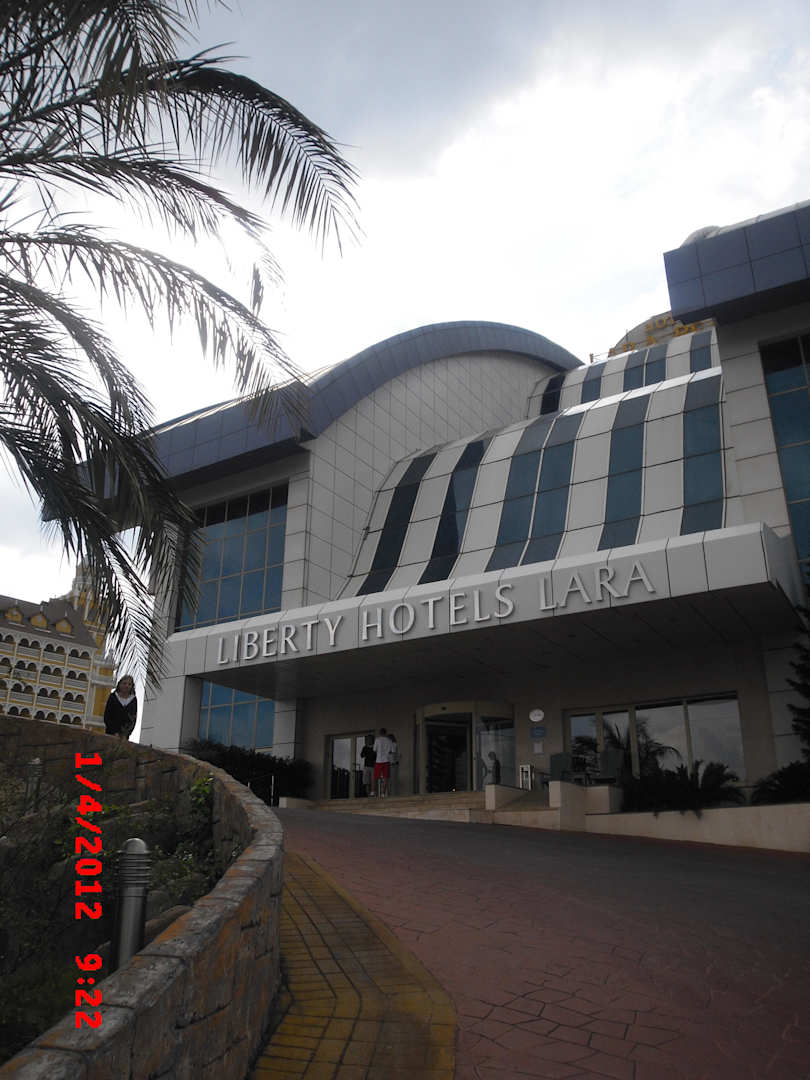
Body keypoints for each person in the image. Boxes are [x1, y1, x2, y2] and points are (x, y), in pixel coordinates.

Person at [104, 675, 137, 740]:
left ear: (132, 686)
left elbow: (133, 718)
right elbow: (107, 716)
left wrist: (126, 734)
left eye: (129, 684)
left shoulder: (133, 700)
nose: (126, 686)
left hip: (124, 737)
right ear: (120, 684)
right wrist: (114, 732)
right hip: (110, 733)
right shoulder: (113, 697)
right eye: (124, 683)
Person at [372, 726, 394, 797]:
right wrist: (387, 753)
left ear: (380, 733)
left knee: (375, 777)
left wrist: (379, 753)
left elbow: (374, 750)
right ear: (385, 733)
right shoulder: (389, 741)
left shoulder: (377, 740)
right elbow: (392, 751)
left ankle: (373, 791)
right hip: (386, 761)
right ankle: (383, 793)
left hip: (378, 761)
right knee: (385, 777)